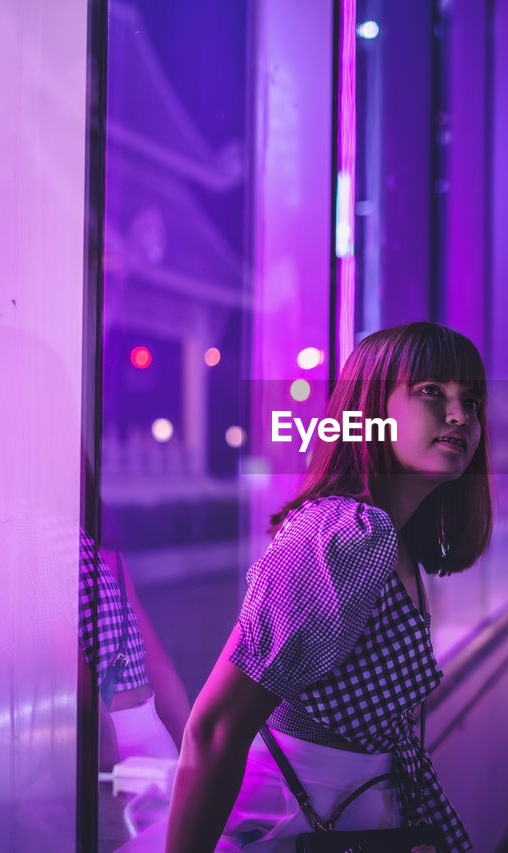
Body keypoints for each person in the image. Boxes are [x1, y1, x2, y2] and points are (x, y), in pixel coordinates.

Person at [165, 322, 491, 853]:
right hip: (289, 824)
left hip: (346, 820)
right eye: (432, 391)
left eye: (472, 401)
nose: (460, 416)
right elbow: (214, 729)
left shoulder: (392, 538)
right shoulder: (345, 534)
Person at [0, 364, 190, 769]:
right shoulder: (70, 526)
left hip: (85, 781)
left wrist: (106, 818)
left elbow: (81, 709)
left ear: (1, 410)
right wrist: (198, 783)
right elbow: (161, 678)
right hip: (143, 760)